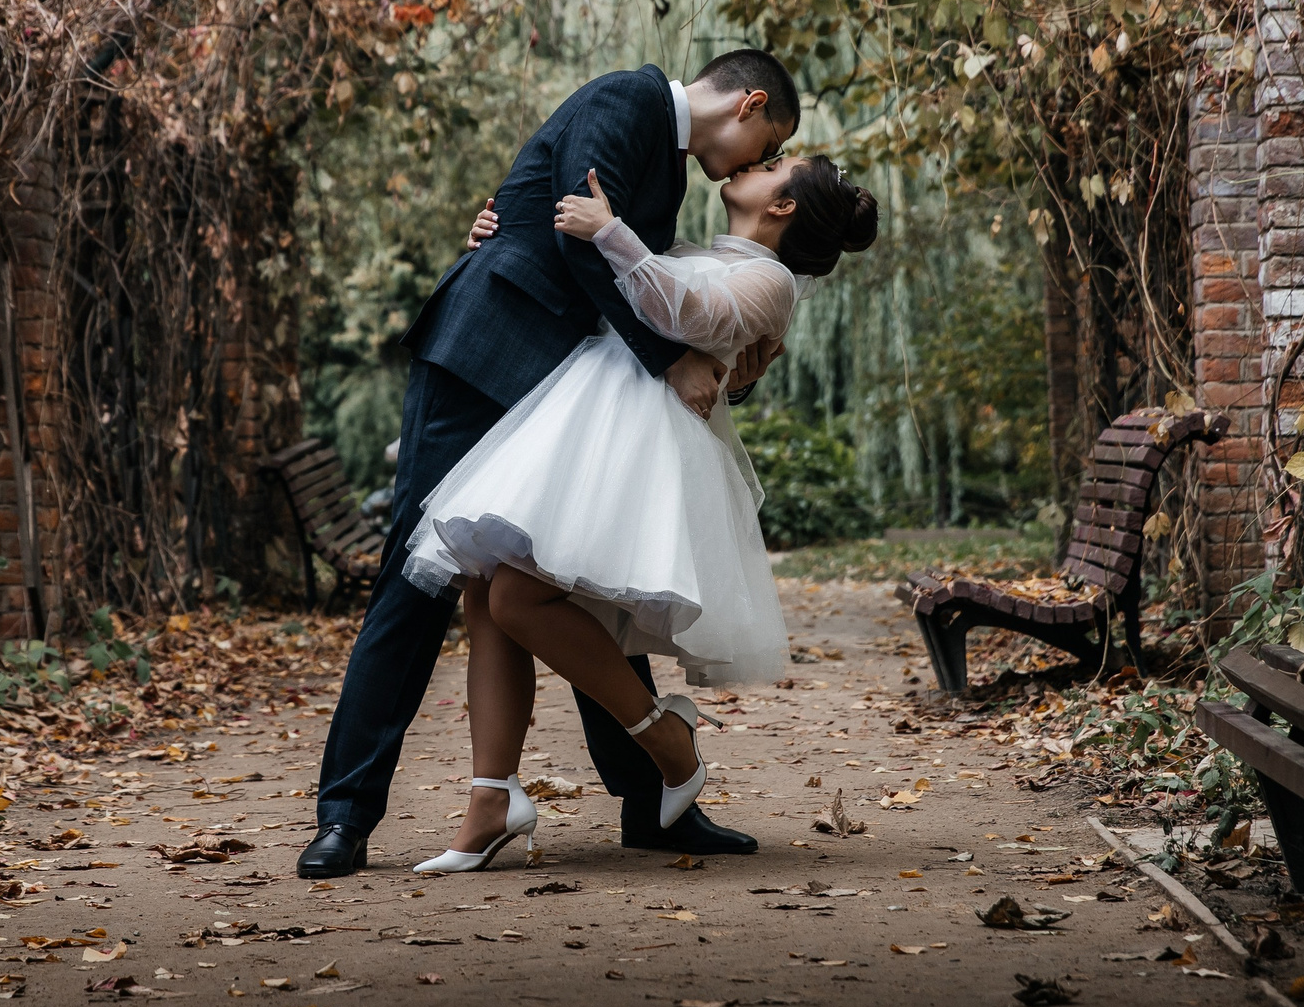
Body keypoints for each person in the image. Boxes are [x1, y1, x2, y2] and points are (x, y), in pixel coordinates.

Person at [296, 52, 799, 879]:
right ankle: (345, 815)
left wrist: (722, 363)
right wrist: (667, 359)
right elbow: (579, 243)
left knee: (592, 576)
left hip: (560, 384)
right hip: (484, 355)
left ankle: (651, 802)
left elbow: (645, 279)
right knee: (415, 580)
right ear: (748, 104)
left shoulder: (667, 164)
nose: (755, 163)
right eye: (767, 144)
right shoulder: (629, 100)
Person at [401, 153, 878, 870]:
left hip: (636, 447)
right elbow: (603, 290)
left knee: (518, 598)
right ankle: (490, 799)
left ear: (783, 206)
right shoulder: (690, 250)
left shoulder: (773, 282)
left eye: (778, 163)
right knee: (486, 588)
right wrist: (497, 237)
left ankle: (665, 740)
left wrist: (610, 231)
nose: (758, 161)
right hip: (577, 423)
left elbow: (684, 312)